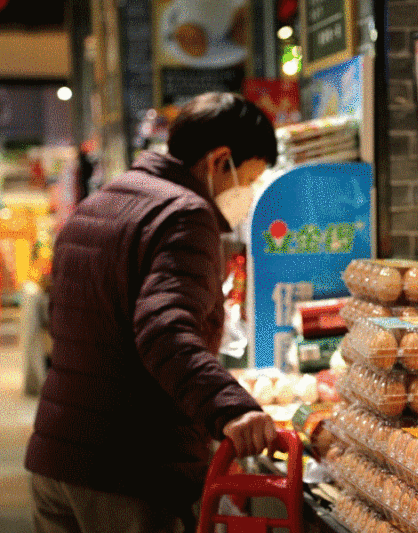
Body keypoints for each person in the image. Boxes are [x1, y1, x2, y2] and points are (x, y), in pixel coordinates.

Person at [25, 92, 278, 533]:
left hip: (56, 459)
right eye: (250, 179)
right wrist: (230, 407)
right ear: (220, 161)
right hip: (128, 472)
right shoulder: (185, 214)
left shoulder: (99, 203)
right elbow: (163, 330)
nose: (248, 194)